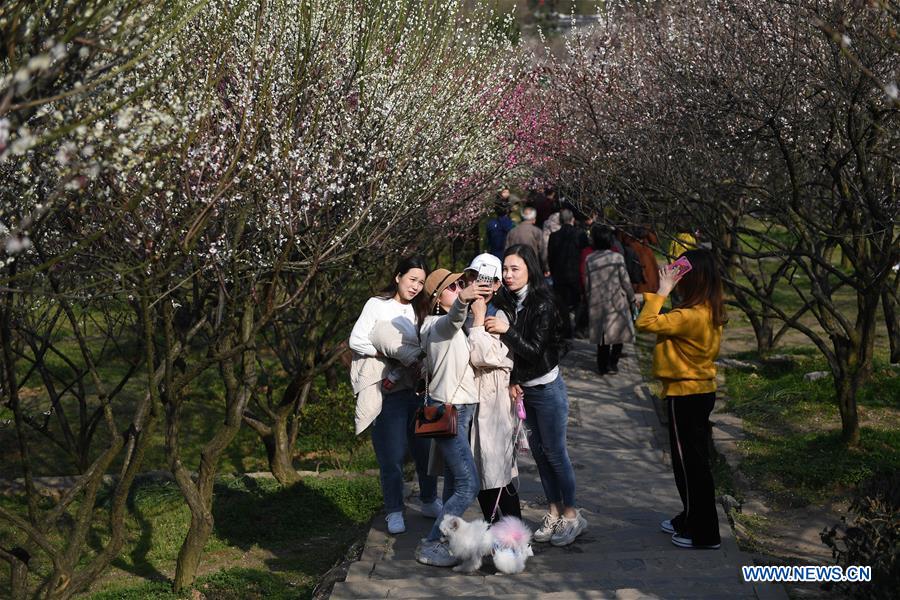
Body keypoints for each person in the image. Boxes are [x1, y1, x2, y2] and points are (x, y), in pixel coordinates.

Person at [485, 245, 587, 547]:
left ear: (529, 268)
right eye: (505, 269)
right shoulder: (507, 300)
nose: (508, 275)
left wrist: (506, 329)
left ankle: (572, 516)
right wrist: (513, 379)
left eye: (514, 269)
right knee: (540, 456)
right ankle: (554, 512)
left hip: (547, 389)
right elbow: (512, 358)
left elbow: (532, 350)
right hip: (525, 391)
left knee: (556, 454)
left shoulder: (542, 303)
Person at [635, 248, 726, 550]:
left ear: (694, 280)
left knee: (689, 466)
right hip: (699, 391)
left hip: (685, 394)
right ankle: (691, 516)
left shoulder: (688, 317)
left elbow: (646, 323)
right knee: (692, 462)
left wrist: (662, 290)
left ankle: (704, 532)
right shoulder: (709, 310)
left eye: (682, 274)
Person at [348, 256, 440, 535]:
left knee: (426, 450)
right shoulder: (377, 305)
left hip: (418, 388)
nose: (415, 286)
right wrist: (384, 352)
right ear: (398, 276)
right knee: (392, 454)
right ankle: (394, 510)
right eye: (412, 279)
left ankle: (428, 499)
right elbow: (356, 339)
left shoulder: (420, 310)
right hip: (389, 393)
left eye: (421, 282)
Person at [414, 269, 493, 567]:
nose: (461, 287)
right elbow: (452, 319)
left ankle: (444, 540)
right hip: (450, 411)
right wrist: (463, 300)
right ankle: (431, 543)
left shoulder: (452, 328)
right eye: (453, 286)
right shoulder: (437, 326)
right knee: (467, 485)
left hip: (461, 410)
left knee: (452, 484)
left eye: (462, 282)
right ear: (437, 298)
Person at [462, 254, 522, 524]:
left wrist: (477, 322)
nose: (480, 284)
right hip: (470, 398)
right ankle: (497, 532)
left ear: (497, 285)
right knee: (480, 472)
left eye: (487, 280)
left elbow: (486, 356)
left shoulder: (500, 314)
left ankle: (513, 536)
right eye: (474, 277)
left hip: (494, 398)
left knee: (496, 472)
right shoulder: (463, 310)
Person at [584, 226, 635, 375]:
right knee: (619, 334)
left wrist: (588, 297)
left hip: (597, 300)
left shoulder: (590, 258)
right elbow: (625, 280)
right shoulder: (617, 257)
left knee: (602, 337)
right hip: (616, 300)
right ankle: (613, 363)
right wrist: (631, 297)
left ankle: (602, 366)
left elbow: (587, 282)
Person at [547, 208, 588, 339]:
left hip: (559, 274)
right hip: (576, 274)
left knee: (562, 304)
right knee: (577, 303)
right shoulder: (580, 235)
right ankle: (578, 328)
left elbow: (550, 257)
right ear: (573, 219)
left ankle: (565, 329)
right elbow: (585, 255)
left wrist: (553, 272)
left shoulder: (554, 236)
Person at [623, 225, 660, 294]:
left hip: (644, 265)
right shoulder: (629, 236)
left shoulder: (645, 234)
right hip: (639, 264)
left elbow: (655, 241)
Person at [505, 207, 544, 271]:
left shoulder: (512, 231)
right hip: (532, 266)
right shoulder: (537, 231)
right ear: (533, 219)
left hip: (516, 266)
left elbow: (507, 250)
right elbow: (543, 252)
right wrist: (546, 268)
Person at [486, 193, 515, 260]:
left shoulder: (491, 224)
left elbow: (488, 241)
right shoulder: (512, 224)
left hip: (494, 254)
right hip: (509, 254)